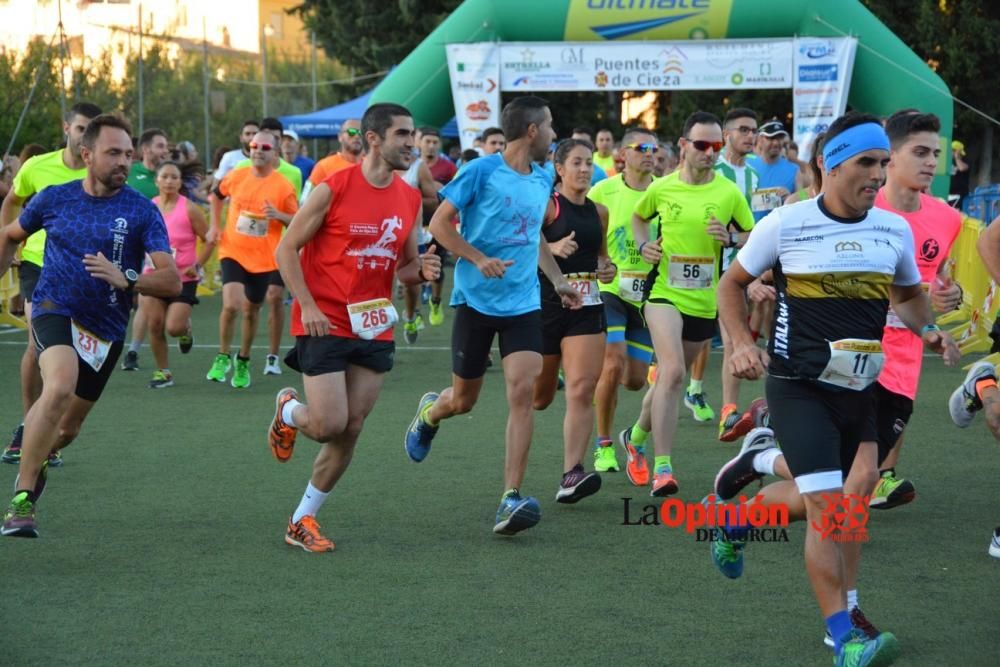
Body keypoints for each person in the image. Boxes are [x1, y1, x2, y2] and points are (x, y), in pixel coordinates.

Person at [714, 111, 958, 666]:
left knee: (854, 500)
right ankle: (842, 633)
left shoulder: (892, 229)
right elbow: (733, 284)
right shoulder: (786, 223)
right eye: (866, 163)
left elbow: (905, 297)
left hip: (860, 388)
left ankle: (740, 517)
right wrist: (738, 344)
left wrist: (931, 326)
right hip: (798, 387)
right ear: (829, 163)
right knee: (828, 508)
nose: (877, 175)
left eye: (882, 163)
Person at [403, 96, 581, 536]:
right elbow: (441, 226)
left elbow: (533, 236)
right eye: (551, 126)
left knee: (523, 393)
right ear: (533, 131)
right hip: (476, 302)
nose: (555, 135)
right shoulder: (480, 171)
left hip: (523, 304)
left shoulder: (542, 179)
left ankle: (510, 497)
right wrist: (478, 258)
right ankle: (430, 413)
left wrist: (557, 280)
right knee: (463, 401)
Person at [268, 102, 441, 552]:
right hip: (323, 319)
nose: (411, 144)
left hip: (373, 324)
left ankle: (302, 519)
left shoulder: (408, 198)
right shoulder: (332, 188)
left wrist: (421, 270)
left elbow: (402, 268)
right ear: (373, 140)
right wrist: (306, 305)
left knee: (352, 427)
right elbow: (286, 250)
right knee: (327, 424)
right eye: (403, 135)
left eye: (413, 135)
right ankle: (288, 411)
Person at [0, 113, 181, 538]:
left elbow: (171, 279)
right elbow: (10, 233)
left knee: (68, 429)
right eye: (113, 152)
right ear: (87, 154)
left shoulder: (140, 210)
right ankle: (22, 500)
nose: (124, 161)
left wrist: (128, 278)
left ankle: (38, 451)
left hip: (106, 330)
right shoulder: (53, 198)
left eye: (128, 153)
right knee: (59, 385)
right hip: (52, 307)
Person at [628, 111, 754, 495]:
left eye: (717, 146)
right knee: (674, 372)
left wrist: (730, 240)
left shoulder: (728, 193)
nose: (711, 152)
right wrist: (644, 245)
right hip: (663, 292)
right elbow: (638, 216)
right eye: (702, 145)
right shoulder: (662, 188)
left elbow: (750, 233)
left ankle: (634, 439)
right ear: (683, 146)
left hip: (703, 299)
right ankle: (663, 468)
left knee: (668, 378)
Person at [1, 101, 102, 467]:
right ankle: (32, 426)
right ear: (66, 128)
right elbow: (12, 201)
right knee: (36, 343)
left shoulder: (100, 170)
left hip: (82, 271)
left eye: (92, 130)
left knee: (72, 356)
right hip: (38, 266)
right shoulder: (36, 167)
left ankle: (51, 425)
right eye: (80, 129)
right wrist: (10, 239)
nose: (85, 136)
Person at [531, 139, 616, 502]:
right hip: (544, 308)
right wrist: (550, 249)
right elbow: (525, 241)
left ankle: (571, 474)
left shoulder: (599, 211)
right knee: (540, 398)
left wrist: (606, 267)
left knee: (582, 388)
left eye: (589, 163)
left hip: (587, 307)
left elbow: (601, 257)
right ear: (559, 169)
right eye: (577, 163)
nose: (584, 169)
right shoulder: (547, 207)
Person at [587, 128, 660, 480]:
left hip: (648, 295)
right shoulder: (603, 191)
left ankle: (629, 436)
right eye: (641, 147)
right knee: (612, 364)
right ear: (622, 153)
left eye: (654, 148)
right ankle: (603, 447)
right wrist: (596, 263)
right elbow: (583, 229)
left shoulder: (665, 191)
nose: (649, 153)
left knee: (632, 380)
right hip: (611, 290)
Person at [206, 131, 298, 388]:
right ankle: (223, 355)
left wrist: (278, 214)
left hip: (264, 258)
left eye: (264, 146)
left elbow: (297, 220)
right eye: (254, 145)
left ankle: (243, 359)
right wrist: (215, 225)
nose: (257, 150)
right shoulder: (237, 174)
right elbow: (216, 195)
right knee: (232, 305)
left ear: (275, 153)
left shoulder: (283, 185)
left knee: (250, 310)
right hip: (233, 249)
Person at [144, 161, 214, 388]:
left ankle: (186, 329)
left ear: (180, 182)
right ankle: (163, 372)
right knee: (154, 324)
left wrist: (198, 264)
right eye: (164, 177)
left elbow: (209, 239)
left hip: (184, 277)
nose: (169, 181)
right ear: (157, 181)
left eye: (174, 177)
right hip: (154, 276)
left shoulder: (189, 208)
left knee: (173, 327)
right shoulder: (149, 207)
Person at [120, 127, 170, 371]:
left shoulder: (169, 175)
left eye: (166, 146)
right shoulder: (130, 171)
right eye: (160, 146)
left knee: (144, 296)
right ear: (146, 149)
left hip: (157, 245)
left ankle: (132, 351)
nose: (165, 151)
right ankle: (131, 351)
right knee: (136, 298)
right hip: (127, 242)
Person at [419, 127, 455, 327]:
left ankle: (435, 301)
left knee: (436, 266)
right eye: (427, 141)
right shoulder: (411, 165)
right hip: (413, 223)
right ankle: (412, 312)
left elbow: (457, 193)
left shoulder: (448, 167)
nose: (431, 145)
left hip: (438, 224)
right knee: (410, 264)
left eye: (434, 142)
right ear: (419, 143)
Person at [306, 120, 363, 202]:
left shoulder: (370, 167)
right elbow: (305, 201)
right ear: (340, 137)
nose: (357, 136)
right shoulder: (323, 166)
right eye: (352, 132)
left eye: (361, 133)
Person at [746, 120, 799, 197]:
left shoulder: (795, 169)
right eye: (771, 138)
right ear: (760, 139)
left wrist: (791, 196)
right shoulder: (747, 164)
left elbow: (803, 195)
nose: (776, 143)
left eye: (779, 138)